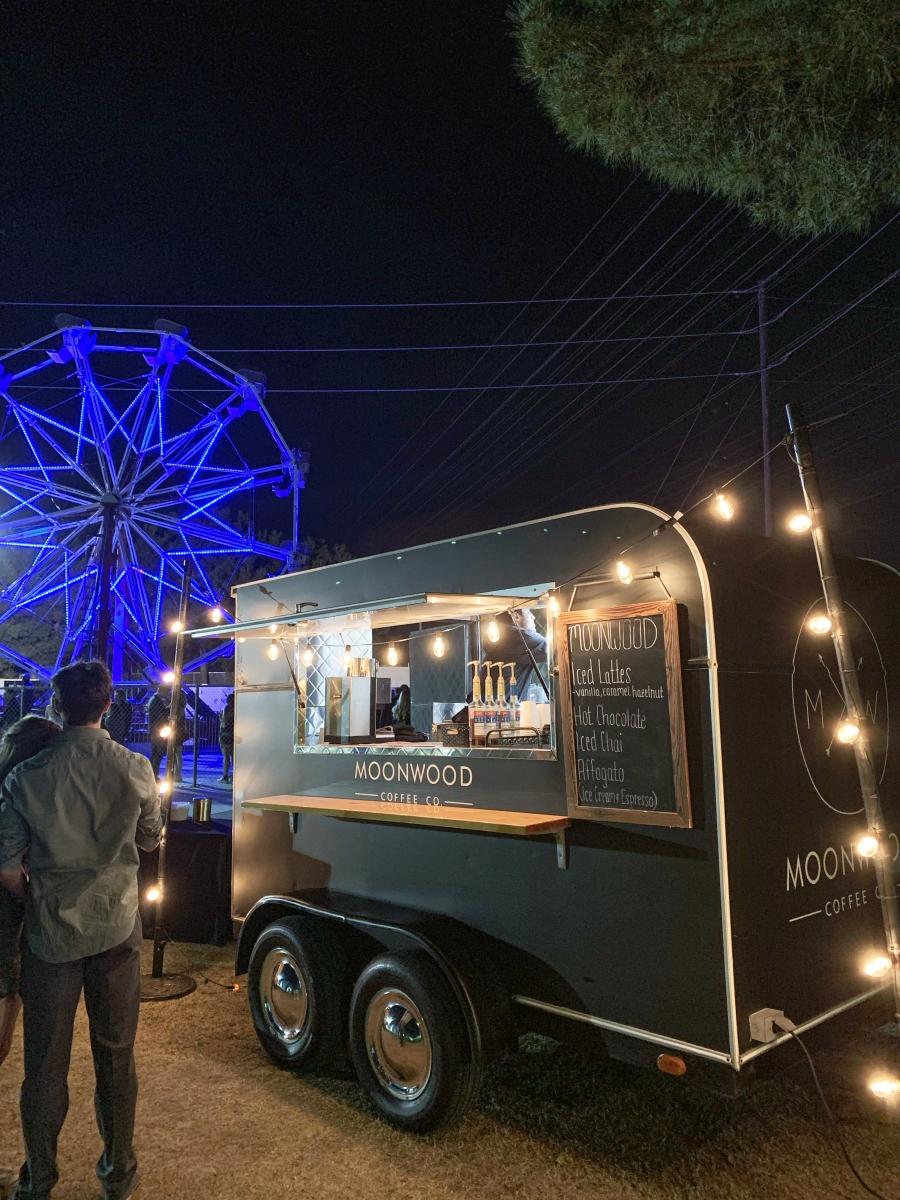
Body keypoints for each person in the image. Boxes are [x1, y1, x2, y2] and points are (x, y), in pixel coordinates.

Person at [0, 660, 161, 1200]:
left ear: (57, 705)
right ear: (108, 704)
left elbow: (7, 867)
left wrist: (39, 896)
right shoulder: (135, 768)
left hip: (51, 934)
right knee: (115, 1055)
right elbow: (150, 838)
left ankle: (39, 1177)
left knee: (44, 1064)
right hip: (116, 926)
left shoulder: (27, 776)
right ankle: (118, 1171)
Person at [0, 719, 61, 1068]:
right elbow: (8, 871)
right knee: (8, 983)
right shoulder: (22, 792)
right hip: (5, 905)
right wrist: (29, 898)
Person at [147, 685, 169, 777]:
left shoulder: (154, 700)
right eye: (166, 692)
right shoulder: (156, 701)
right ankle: (153, 774)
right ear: (162, 691)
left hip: (155, 730)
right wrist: (169, 708)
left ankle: (152, 774)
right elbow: (161, 715)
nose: (167, 695)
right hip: (157, 730)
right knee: (158, 753)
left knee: (156, 753)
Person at [218, 692, 234, 783]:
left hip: (224, 735)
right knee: (233, 757)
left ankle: (225, 775)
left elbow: (223, 723)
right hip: (232, 735)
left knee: (226, 757)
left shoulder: (225, 709)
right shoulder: (236, 709)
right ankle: (234, 776)